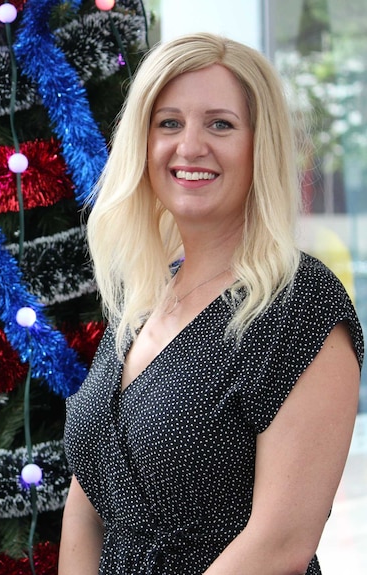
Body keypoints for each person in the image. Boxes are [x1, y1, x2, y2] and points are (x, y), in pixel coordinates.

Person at [60, 33, 364, 574]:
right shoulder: (142, 299)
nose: (190, 146)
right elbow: (88, 502)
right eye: (169, 122)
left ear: (259, 145)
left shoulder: (303, 306)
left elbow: (281, 543)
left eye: (220, 124)